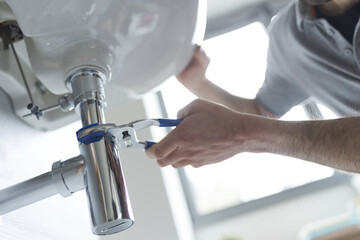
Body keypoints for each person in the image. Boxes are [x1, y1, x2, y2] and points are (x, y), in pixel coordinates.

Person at [146, 0, 360, 173]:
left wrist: (247, 134)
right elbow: (260, 113)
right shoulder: (288, 36)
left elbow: (254, 126)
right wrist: (198, 83)